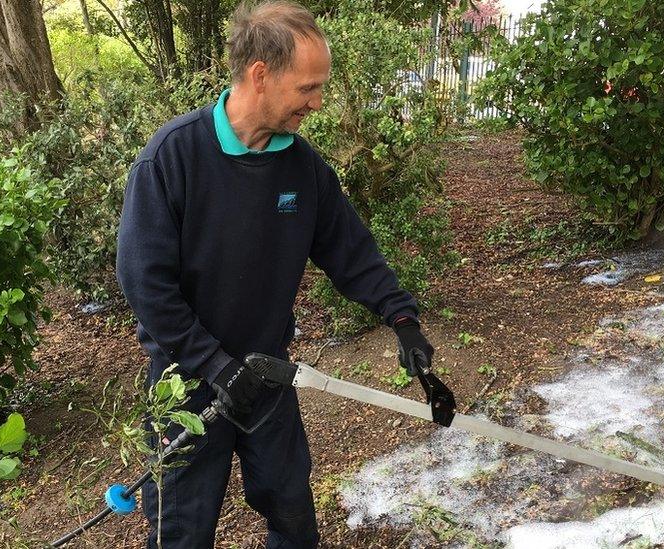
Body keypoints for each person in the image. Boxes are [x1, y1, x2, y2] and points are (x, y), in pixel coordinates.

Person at [115, 1, 435, 546]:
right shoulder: (174, 157)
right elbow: (145, 284)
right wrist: (213, 364)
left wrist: (401, 317)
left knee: (291, 512)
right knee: (181, 531)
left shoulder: (302, 167)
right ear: (261, 75)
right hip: (185, 384)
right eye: (308, 88)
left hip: (267, 375)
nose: (317, 101)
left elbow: (349, 249)